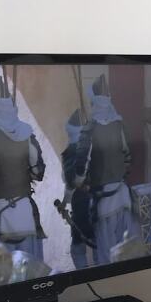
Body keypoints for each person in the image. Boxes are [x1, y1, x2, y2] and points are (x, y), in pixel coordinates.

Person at [0, 75, 46, 259]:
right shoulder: (26, 133)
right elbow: (38, 172)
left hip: (1, 217)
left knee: (6, 272)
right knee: (32, 268)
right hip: (25, 212)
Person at [74, 75, 138, 264]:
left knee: (106, 257)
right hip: (124, 197)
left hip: (103, 201)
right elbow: (127, 156)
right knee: (128, 253)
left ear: (93, 100)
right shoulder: (119, 125)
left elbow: (81, 168)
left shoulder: (89, 129)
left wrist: (80, 182)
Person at [61, 108, 97, 268]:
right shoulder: (94, 146)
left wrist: (65, 201)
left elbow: (71, 183)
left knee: (77, 248)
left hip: (82, 202)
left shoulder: (71, 152)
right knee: (99, 242)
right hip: (98, 198)